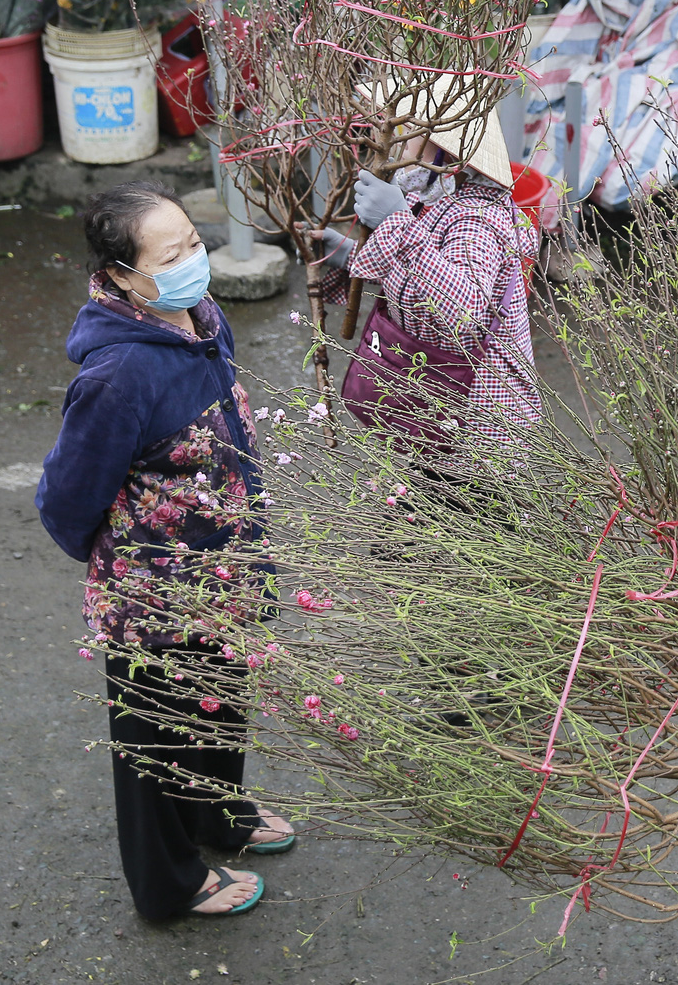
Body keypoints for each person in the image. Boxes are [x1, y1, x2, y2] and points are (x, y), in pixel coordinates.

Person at [36, 181, 294, 921]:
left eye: (193, 242)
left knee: (219, 706)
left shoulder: (200, 317)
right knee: (155, 736)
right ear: (123, 275)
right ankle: (168, 882)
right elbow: (68, 495)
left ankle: (218, 815)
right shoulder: (119, 373)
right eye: (171, 252)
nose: (193, 260)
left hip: (225, 567)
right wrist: (136, 559)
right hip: (154, 592)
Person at [316, 109, 540, 473]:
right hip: (436, 415)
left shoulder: (476, 217)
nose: (393, 141)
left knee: (468, 525)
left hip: (479, 432)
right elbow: (416, 274)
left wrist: (395, 222)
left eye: (405, 131)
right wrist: (342, 253)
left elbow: (462, 313)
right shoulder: (434, 199)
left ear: (443, 149)